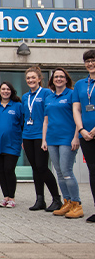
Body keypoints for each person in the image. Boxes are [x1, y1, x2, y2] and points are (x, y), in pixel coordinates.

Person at [41, 68, 83, 218]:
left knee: (67, 171)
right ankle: (67, 202)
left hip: (67, 139)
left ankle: (77, 204)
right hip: (52, 139)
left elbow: (78, 115)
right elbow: (46, 121)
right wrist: (44, 139)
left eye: (61, 77)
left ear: (66, 79)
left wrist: (76, 136)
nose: (58, 79)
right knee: (59, 172)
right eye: (56, 77)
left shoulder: (72, 94)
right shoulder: (49, 97)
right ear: (52, 80)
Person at [22, 66, 62, 212]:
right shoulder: (26, 97)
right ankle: (40, 199)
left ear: (39, 79)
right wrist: (22, 138)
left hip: (41, 136)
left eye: (33, 77)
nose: (30, 80)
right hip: (27, 135)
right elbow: (25, 117)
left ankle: (57, 199)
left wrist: (46, 138)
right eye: (28, 78)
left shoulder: (46, 93)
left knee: (42, 167)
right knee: (35, 168)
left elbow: (49, 115)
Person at [0, 82, 23, 208]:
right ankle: (5, 197)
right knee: (1, 171)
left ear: (12, 91)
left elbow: (22, 124)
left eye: (8, 89)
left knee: (9, 170)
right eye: (3, 89)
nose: (5, 91)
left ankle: (12, 198)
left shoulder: (18, 106)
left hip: (12, 143)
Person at [73, 50, 95, 223]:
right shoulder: (81, 84)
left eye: (93, 60)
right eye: (87, 61)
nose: (90, 64)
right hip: (86, 134)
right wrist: (81, 129)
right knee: (93, 172)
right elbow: (76, 108)